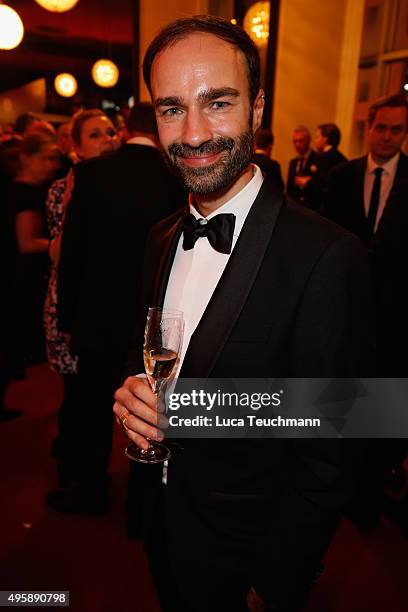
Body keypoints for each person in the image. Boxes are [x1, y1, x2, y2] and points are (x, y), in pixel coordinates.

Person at [113, 16, 372, 612]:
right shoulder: (159, 237)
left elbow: (345, 429)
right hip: (162, 527)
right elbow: (152, 356)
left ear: (257, 109)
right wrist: (135, 398)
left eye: (218, 102)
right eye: (172, 109)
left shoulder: (328, 255)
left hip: (250, 558)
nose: (195, 133)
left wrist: (279, 580)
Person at [48, 103, 184, 515]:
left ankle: (88, 488)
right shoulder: (176, 176)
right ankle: (141, 508)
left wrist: (68, 318)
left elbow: (72, 253)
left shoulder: (92, 173)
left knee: (89, 406)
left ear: (125, 128)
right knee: (148, 408)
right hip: (151, 319)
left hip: (97, 316)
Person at [44, 109, 119, 486]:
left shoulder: (116, 183)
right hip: (69, 301)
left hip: (95, 306)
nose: (106, 139)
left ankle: (75, 457)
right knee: (78, 394)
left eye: (108, 132)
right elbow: (58, 253)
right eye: (93, 135)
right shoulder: (64, 188)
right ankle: (73, 469)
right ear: (75, 146)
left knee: (87, 394)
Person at [322, 93, 408, 244]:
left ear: (405, 133)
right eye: (381, 128)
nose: (387, 137)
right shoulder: (340, 175)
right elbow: (326, 229)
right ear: (369, 127)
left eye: (396, 130)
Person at [286, 125, 320, 210]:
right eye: (295, 141)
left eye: (301, 141)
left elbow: (321, 186)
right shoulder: (293, 162)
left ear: (308, 140)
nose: (297, 144)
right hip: (295, 208)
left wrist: (308, 183)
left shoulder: (319, 159)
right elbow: (289, 188)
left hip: (312, 208)